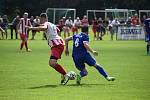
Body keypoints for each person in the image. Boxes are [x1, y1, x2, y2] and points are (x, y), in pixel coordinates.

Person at [28, 13, 69, 85]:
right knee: (53, 63)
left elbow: (44, 28)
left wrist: (32, 28)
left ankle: (66, 75)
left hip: (56, 45)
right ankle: (63, 74)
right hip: (59, 44)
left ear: (43, 18)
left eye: (40, 19)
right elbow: (58, 30)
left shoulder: (46, 23)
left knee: (52, 63)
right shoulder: (52, 24)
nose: (40, 21)